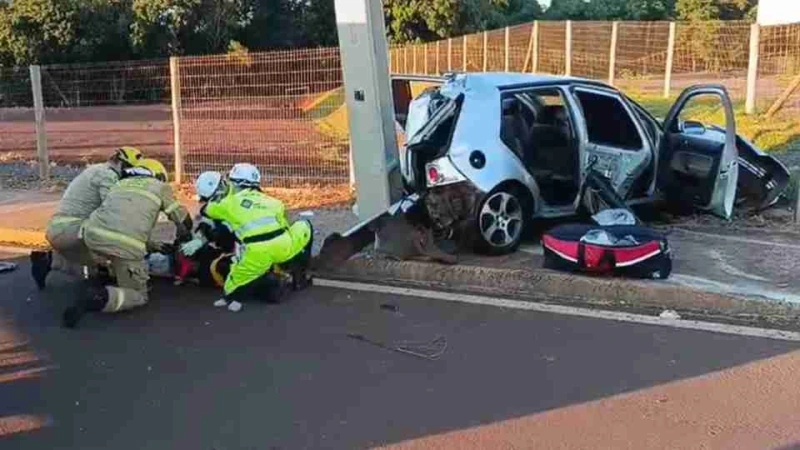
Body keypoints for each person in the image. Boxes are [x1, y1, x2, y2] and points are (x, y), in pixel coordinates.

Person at [62, 158, 192, 328]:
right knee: (138, 295)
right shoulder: (160, 187)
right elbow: (182, 219)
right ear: (158, 175)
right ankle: (99, 298)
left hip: (91, 235)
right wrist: (186, 237)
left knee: (108, 255)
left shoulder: (119, 184)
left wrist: (154, 245)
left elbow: (121, 225)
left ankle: (50, 262)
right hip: (123, 247)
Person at [181, 164, 313, 312]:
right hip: (273, 248)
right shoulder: (268, 200)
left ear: (227, 183)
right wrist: (201, 237)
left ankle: (271, 283)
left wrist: (204, 238)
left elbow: (216, 226)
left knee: (225, 269)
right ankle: (291, 275)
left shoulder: (227, 203)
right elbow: (207, 222)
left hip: (248, 252)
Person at [31, 147, 144, 289]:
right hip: (73, 230)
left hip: (61, 228)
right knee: (117, 242)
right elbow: (114, 211)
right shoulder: (108, 176)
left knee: (91, 256)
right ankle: (105, 275)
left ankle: (48, 261)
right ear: (122, 164)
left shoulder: (97, 170)